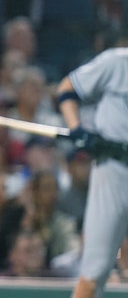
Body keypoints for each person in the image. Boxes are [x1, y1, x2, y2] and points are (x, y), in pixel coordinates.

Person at [56, 47, 128, 298]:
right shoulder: (118, 62)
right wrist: (77, 128)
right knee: (92, 275)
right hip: (112, 170)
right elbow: (67, 88)